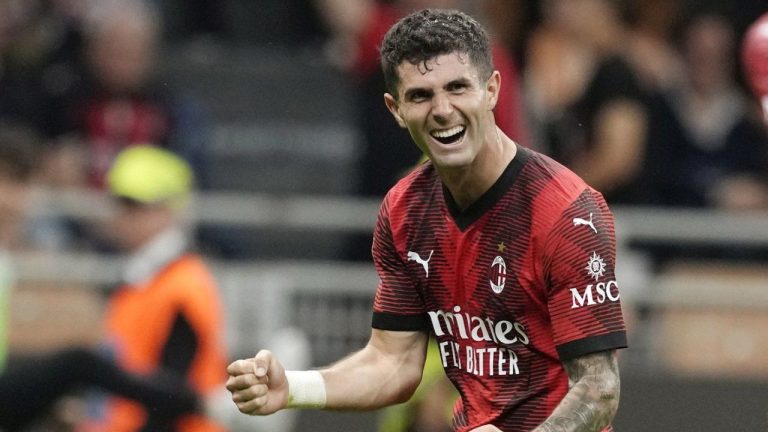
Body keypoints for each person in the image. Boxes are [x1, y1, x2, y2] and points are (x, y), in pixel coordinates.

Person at [227, 8, 627, 432]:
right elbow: (392, 362)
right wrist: (292, 387)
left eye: (458, 88)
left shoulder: (564, 211)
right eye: (420, 95)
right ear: (395, 108)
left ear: (491, 90)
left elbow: (599, 388)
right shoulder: (405, 210)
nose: (442, 109)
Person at [83, 145, 228, 431]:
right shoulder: (144, 280)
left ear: (168, 210)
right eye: (120, 204)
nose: (123, 216)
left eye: (135, 205)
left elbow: (171, 392)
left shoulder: (182, 287)